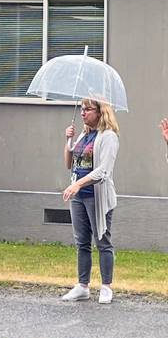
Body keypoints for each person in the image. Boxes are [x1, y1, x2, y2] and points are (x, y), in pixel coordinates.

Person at [61, 99, 119, 304]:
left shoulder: (108, 137)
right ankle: (83, 286)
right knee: (81, 242)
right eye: (82, 109)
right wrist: (68, 142)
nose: (83, 113)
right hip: (79, 197)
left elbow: (103, 171)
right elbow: (70, 165)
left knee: (102, 241)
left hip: (96, 196)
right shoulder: (84, 135)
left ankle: (106, 287)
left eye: (88, 109)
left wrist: (79, 184)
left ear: (100, 112)